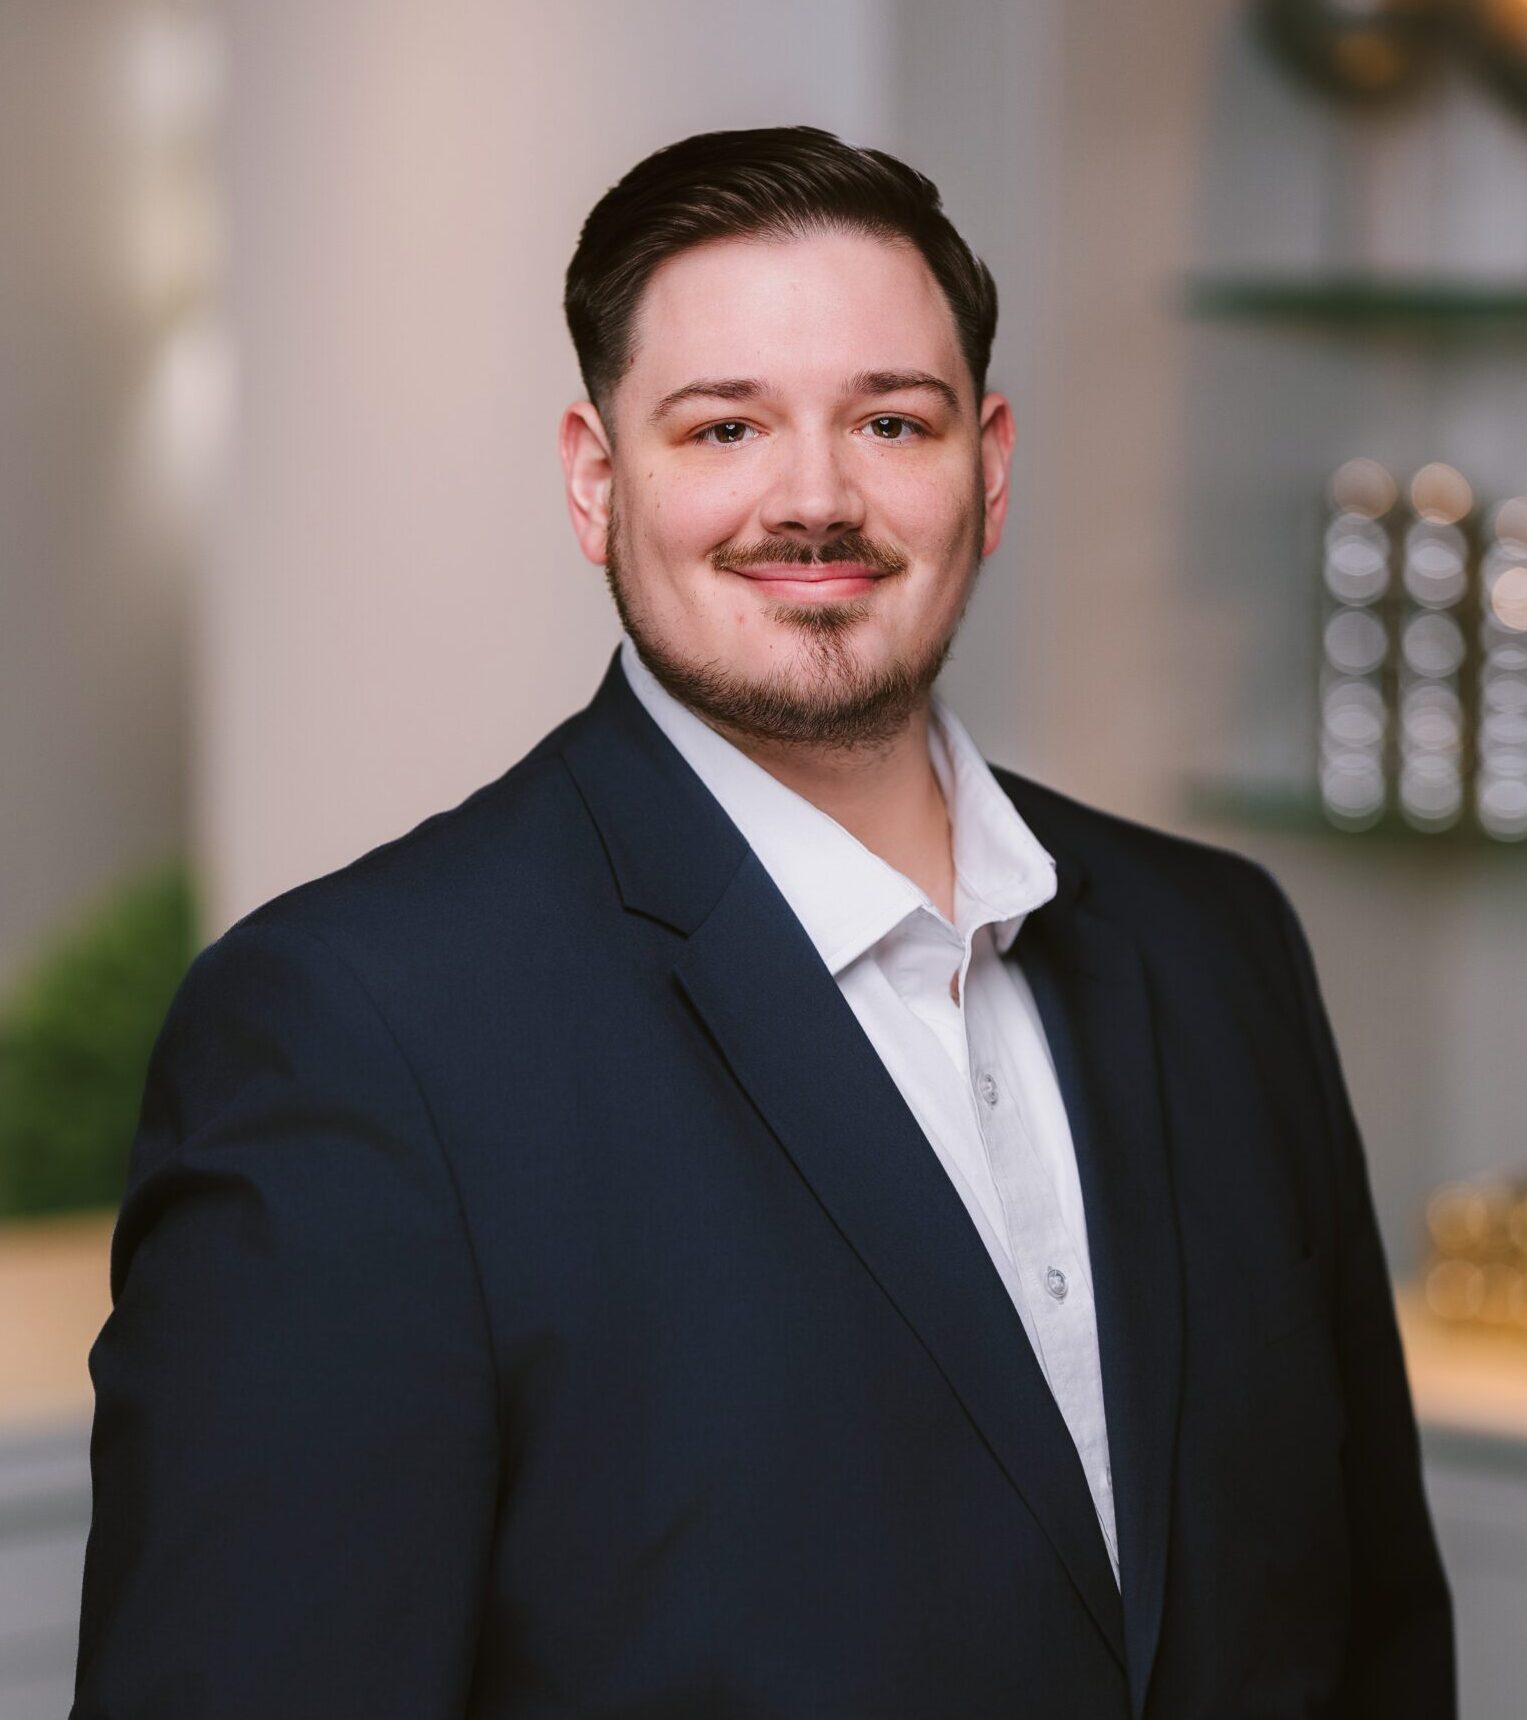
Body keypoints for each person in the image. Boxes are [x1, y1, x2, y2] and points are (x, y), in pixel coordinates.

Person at [71, 125, 1454, 1719]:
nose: (814, 500)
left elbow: (1377, 1643)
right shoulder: (355, 1033)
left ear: (991, 467)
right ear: (598, 480)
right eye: (724, 427)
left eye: (891, 421)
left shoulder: (1220, 949)